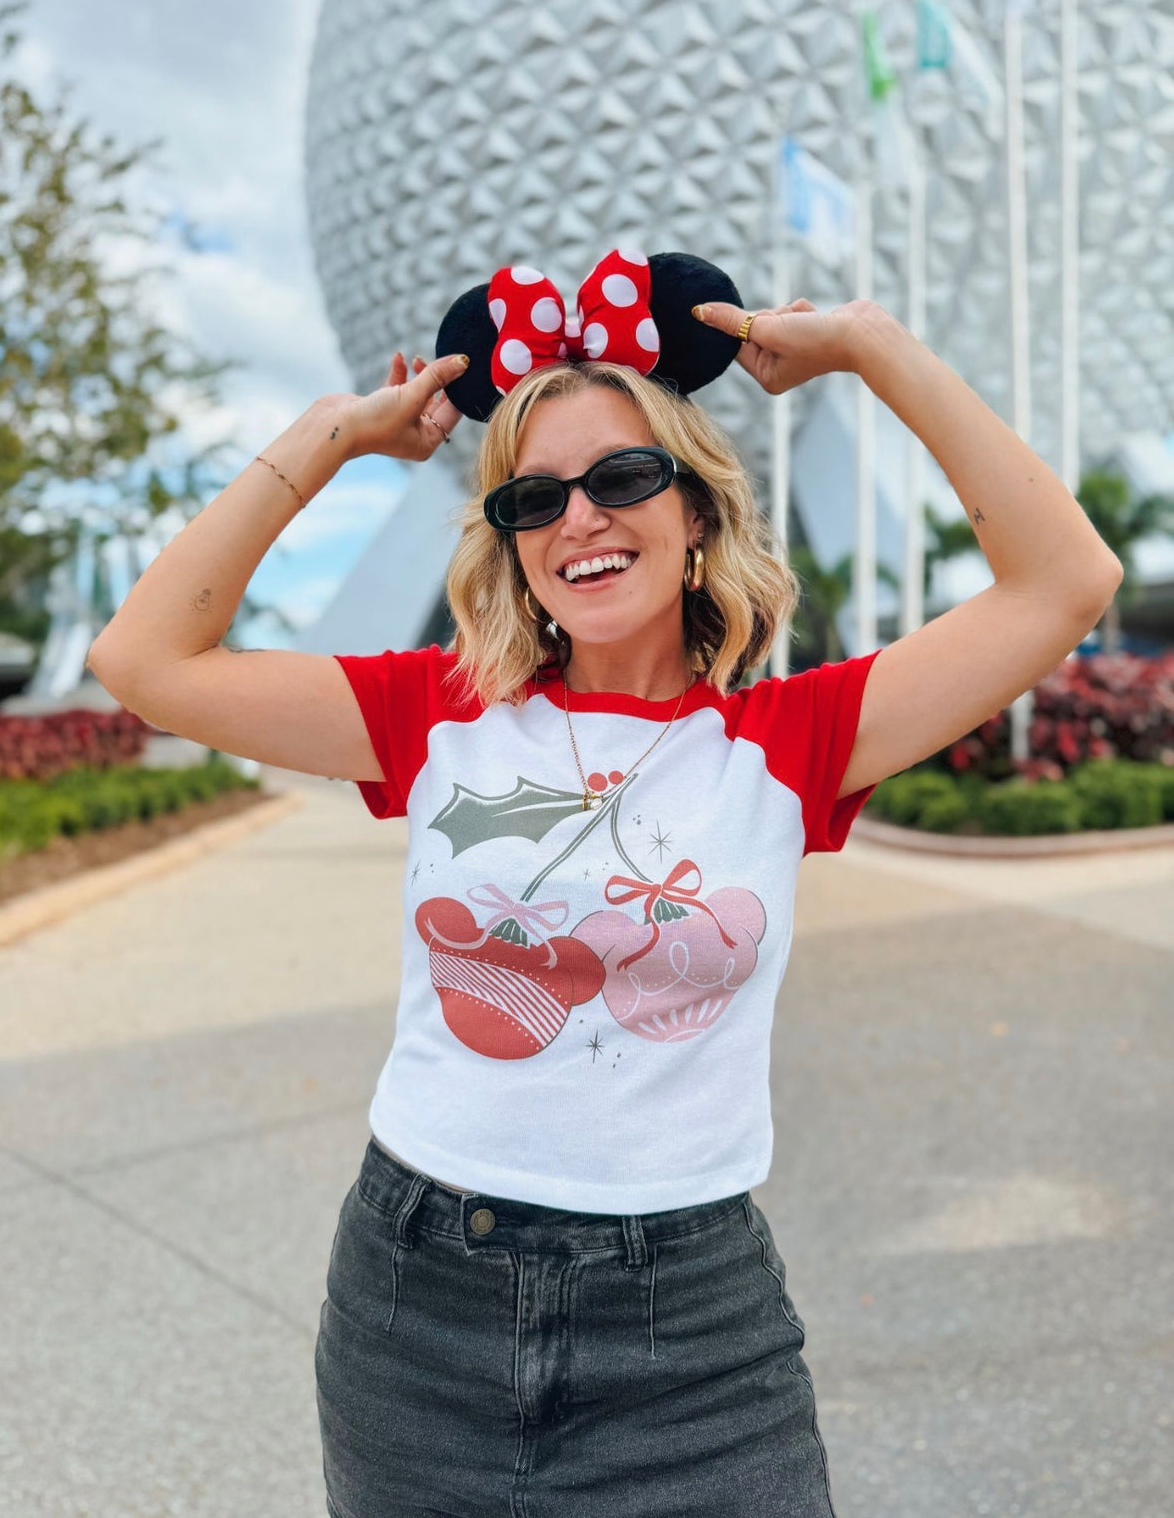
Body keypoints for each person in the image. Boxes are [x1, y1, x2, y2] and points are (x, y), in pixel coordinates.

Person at [86, 248, 1122, 1518]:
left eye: (623, 477)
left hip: (690, 1328)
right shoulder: (440, 716)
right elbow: (144, 657)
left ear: (696, 514)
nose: (579, 517)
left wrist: (870, 347)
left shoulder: (789, 740)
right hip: (417, 1310)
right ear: (513, 544)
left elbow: (1068, 581)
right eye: (533, 499)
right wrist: (332, 436)